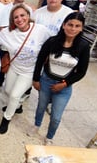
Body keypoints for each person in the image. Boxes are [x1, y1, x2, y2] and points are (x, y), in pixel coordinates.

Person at [30, 12, 90, 145]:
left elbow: (81, 72)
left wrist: (65, 84)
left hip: (64, 87)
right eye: (70, 25)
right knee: (41, 107)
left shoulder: (84, 46)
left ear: (81, 28)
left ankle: (50, 137)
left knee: (56, 117)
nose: (73, 29)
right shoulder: (52, 41)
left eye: (77, 26)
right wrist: (36, 79)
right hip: (46, 82)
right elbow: (40, 60)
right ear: (64, 25)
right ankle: (36, 125)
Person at [0, 4, 50, 134]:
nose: (19, 19)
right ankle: (18, 106)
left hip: (29, 72)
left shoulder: (40, 30)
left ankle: (6, 118)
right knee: (7, 91)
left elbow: (52, 43)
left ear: (28, 16)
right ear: (12, 20)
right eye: (16, 17)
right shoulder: (8, 33)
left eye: (22, 15)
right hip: (14, 68)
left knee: (14, 96)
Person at [33, 0, 73, 114]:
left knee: (55, 77)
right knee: (39, 76)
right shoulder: (38, 13)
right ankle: (35, 97)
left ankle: (50, 102)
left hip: (59, 53)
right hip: (39, 51)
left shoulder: (69, 14)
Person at [0, 0, 34, 91]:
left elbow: (29, 28)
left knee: (17, 68)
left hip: (21, 45)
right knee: (3, 65)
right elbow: (2, 27)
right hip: (6, 44)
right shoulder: (5, 8)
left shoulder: (29, 10)